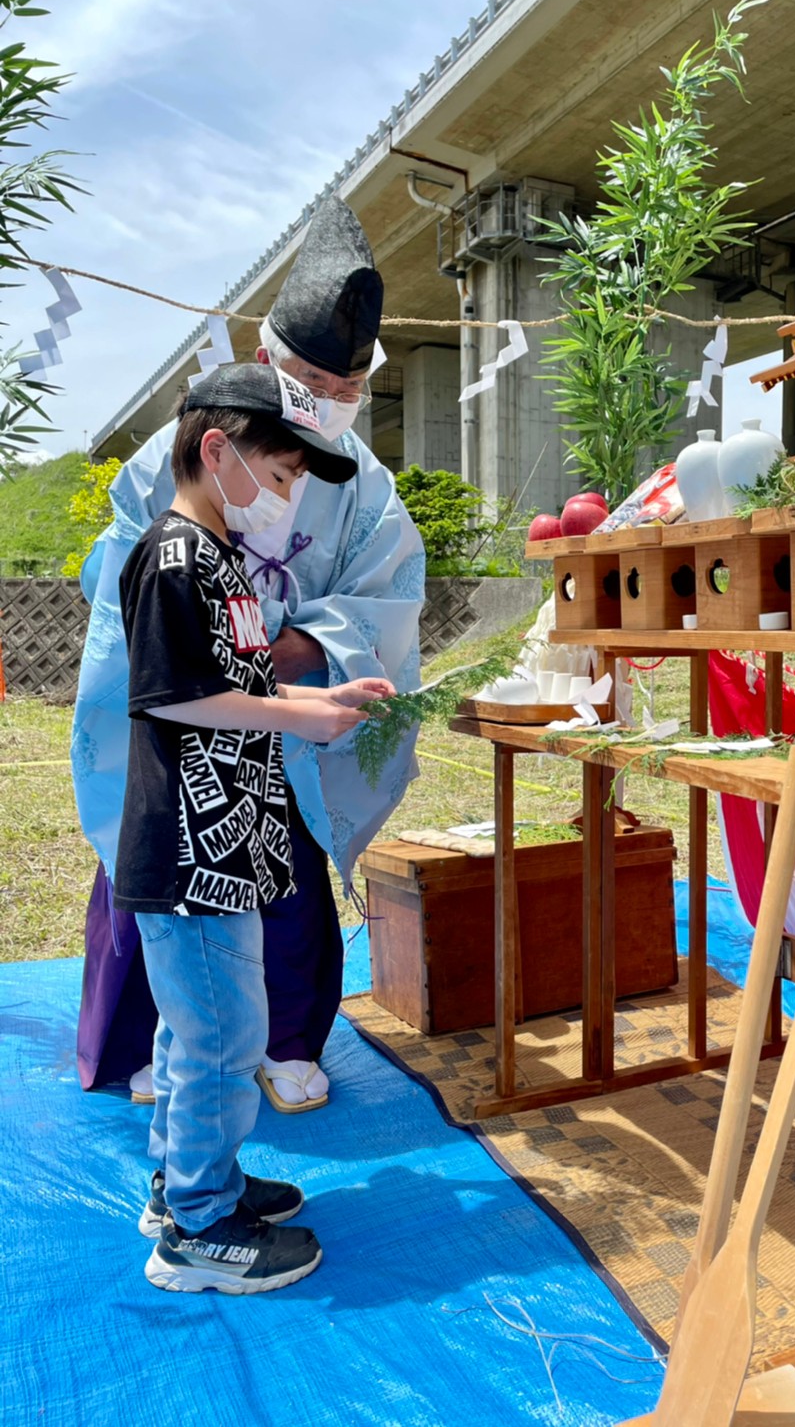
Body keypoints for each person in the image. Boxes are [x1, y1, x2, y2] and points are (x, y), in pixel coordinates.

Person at [72, 197, 425, 1111]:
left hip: (294, 700)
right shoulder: (178, 453)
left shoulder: (365, 485)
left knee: (287, 865)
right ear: (264, 362)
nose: (328, 406)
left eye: (347, 390)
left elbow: (386, 592)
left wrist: (298, 647)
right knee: (160, 876)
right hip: (191, 710)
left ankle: (283, 1040)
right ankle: (154, 1054)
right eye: (311, 380)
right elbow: (123, 578)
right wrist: (215, 643)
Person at [116, 361, 394, 1291]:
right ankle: (197, 1231)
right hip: (189, 852)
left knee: (199, 1029)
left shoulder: (224, 560)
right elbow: (176, 696)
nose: (285, 500)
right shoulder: (172, 558)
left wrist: (321, 693)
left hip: (227, 842)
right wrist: (297, 717)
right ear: (214, 451)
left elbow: (235, 683)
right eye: (278, 478)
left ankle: (189, 1183)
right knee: (222, 1038)